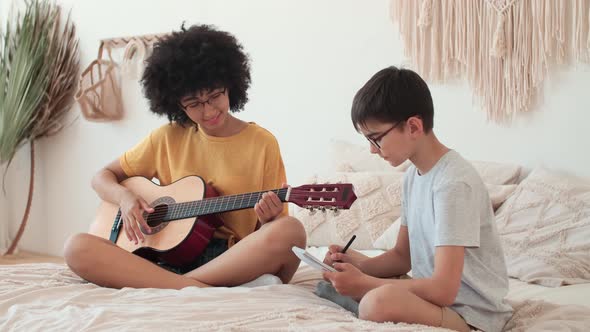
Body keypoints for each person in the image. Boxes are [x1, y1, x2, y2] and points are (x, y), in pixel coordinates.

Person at [64, 24, 306, 289]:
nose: (208, 110)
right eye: (193, 103)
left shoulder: (262, 143)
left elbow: (273, 228)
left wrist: (266, 218)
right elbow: (101, 178)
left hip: (227, 259)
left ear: (231, 85)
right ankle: (192, 286)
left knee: (291, 231)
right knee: (76, 247)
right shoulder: (167, 137)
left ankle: (173, 284)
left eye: (215, 96)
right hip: (156, 256)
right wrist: (125, 198)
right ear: (175, 103)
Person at [321, 66, 513, 332]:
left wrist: (363, 283)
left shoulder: (454, 183)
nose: (372, 150)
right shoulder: (414, 176)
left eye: (375, 139)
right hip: (433, 301)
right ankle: (354, 295)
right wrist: (355, 263)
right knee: (359, 292)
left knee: (376, 303)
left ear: (413, 126)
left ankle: (358, 299)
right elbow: (402, 257)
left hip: (470, 314)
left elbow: (444, 290)